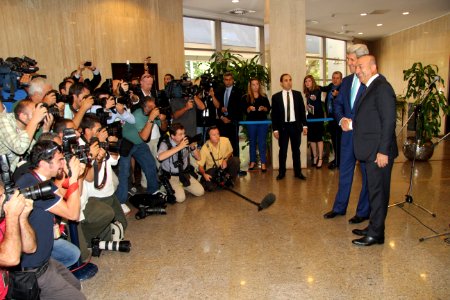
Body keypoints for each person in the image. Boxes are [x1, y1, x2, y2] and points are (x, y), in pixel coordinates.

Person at [15, 140, 86, 299]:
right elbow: (72, 214)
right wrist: (73, 177)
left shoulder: (38, 178)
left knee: (75, 285)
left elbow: (67, 197)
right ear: (43, 163)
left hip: (45, 259)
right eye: (59, 160)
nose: (63, 163)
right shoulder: (31, 185)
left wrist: (75, 176)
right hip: (33, 269)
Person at [351, 55, 398, 246]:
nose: (357, 70)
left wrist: (383, 151)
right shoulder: (371, 86)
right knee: (373, 192)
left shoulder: (382, 88)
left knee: (379, 193)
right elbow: (371, 118)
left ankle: (376, 234)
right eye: (356, 67)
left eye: (360, 66)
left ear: (373, 67)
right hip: (370, 151)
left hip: (378, 153)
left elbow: (389, 121)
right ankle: (374, 226)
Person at [323, 44, 371, 224]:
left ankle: (363, 211)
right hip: (347, 136)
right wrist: (341, 119)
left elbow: (371, 111)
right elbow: (337, 105)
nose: (349, 64)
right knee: (344, 172)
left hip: (364, 137)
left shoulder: (371, 82)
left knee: (366, 174)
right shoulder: (347, 81)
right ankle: (339, 207)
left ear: (362, 60)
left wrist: (354, 122)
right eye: (348, 60)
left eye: (351, 60)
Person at [0, 184, 36, 299]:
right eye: (0, 197)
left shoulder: (2, 220)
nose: (5, 201)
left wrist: (22, 217)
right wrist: (12, 216)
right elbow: (11, 258)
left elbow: (30, 248)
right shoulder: (8, 217)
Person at [271, 74, 308, 180]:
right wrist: (275, 129)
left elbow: (302, 112)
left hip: (295, 126)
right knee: (282, 150)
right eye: (286, 80)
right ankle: (281, 172)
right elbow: (274, 115)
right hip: (283, 127)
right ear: (281, 83)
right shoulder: (276, 97)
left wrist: (305, 125)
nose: (289, 82)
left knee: (296, 150)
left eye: (290, 80)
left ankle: (298, 172)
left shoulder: (297, 94)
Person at [157, 123, 204, 202]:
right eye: (180, 134)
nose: (183, 136)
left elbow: (198, 158)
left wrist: (193, 147)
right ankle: (166, 187)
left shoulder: (186, 141)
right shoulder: (165, 143)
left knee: (200, 192)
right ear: (172, 136)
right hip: (171, 176)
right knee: (180, 199)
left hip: (184, 174)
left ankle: (181, 186)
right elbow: (160, 157)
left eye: (184, 133)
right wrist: (180, 147)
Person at [0, 99, 49, 171]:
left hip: (11, 173)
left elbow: (37, 153)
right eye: (35, 114)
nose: (39, 117)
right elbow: (19, 148)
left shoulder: (25, 127)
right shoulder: (3, 120)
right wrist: (34, 120)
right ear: (23, 116)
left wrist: (45, 130)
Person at [197, 126, 240, 191]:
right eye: (214, 135)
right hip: (213, 170)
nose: (217, 136)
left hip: (224, 167)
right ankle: (221, 182)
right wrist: (204, 174)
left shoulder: (225, 140)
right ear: (209, 137)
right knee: (210, 188)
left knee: (236, 160)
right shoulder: (205, 148)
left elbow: (231, 152)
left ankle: (229, 179)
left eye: (218, 134)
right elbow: (200, 166)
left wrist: (225, 159)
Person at [212, 72, 243, 158]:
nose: (228, 82)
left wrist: (229, 117)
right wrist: (222, 117)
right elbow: (217, 106)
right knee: (222, 143)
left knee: (234, 144)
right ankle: (223, 166)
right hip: (221, 122)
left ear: (233, 80)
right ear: (223, 80)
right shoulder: (219, 91)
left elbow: (239, 107)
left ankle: (236, 166)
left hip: (232, 121)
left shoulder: (238, 91)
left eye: (230, 79)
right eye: (226, 80)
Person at [244, 78, 271, 172]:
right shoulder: (246, 97)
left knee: (262, 142)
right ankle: (252, 162)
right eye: (253, 85)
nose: (255, 86)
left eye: (257, 84)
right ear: (250, 86)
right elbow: (243, 110)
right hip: (251, 122)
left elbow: (268, 109)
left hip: (262, 123)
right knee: (252, 142)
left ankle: (263, 162)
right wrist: (248, 108)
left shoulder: (263, 96)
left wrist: (264, 108)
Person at [321, 71, 343, 169]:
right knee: (334, 140)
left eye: (337, 78)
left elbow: (345, 102)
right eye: (333, 77)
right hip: (331, 119)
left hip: (339, 119)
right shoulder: (330, 86)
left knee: (339, 141)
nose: (335, 79)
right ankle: (337, 159)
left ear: (341, 79)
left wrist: (338, 95)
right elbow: (322, 88)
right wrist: (312, 84)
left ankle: (338, 162)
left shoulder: (343, 89)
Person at [303, 75, 325, 168]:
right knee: (311, 138)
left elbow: (314, 97)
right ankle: (315, 157)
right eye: (306, 81)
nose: (307, 83)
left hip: (318, 118)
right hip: (310, 117)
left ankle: (320, 158)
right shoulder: (307, 92)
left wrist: (313, 98)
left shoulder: (317, 90)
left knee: (319, 138)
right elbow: (310, 104)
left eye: (309, 81)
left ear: (313, 82)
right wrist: (307, 107)